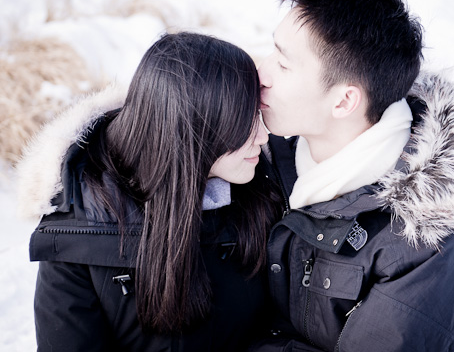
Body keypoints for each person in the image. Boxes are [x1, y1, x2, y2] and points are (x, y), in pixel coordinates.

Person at [253, 0, 454, 351]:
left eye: (284, 64)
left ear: (344, 102)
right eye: (272, 51)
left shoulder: (425, 246)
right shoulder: (262, 155)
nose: (262, 72)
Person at [20, 32, 281, 351]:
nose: (262, 137)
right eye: (245, 121)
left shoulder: (264, 192)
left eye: (257, 115)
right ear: (196, 127)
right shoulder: (78, 233)